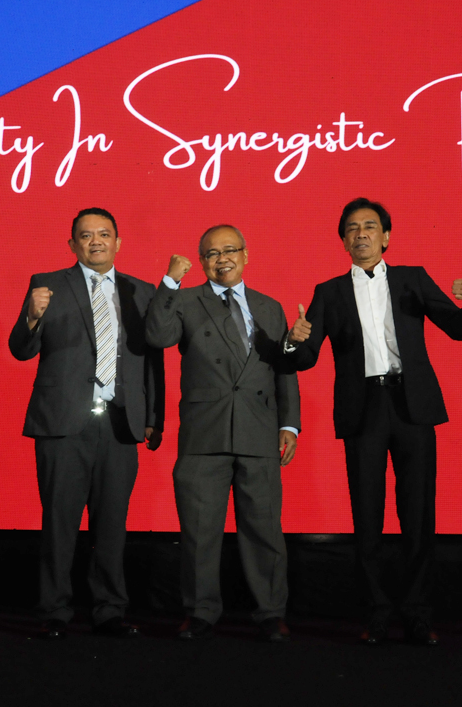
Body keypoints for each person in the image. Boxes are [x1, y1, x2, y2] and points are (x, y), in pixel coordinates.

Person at [284, 198, 462, 645]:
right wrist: (293, 340)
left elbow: (460, 328)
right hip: (363, 407)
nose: (361, 234)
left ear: (386, 236)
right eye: (352, 228)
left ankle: (417, 612)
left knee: (418, 513)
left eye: (370, 226)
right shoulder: (328, 291)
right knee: (367, 514)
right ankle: (376, 612)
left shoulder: (413, 279)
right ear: (343, 241)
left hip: (412, 405)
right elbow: (305, 356)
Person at [8, 208, 164, 640]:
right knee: (59, 523)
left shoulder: (141, 291)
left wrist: (153, 417)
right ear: (72, 244)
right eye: (86, 235)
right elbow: (21, 349)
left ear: (118, 242)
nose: (96, 241)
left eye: (104, 234)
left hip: (119, 423)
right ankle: (54, 610)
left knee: (112, 524)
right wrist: (32, 317)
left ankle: (109, 609)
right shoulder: (48, 284)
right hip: (62, 423)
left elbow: (152, 359)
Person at [145, 225, 300, 642]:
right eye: (212, 254)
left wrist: (289, 423)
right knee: (200, 531)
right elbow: (157, 336)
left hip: (259, 428)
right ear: (202, 262)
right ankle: (200, 612)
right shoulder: (186, 299)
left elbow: (284, 369)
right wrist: (170, 281)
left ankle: (270, 612)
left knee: (264, 530)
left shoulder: (270, 306)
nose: (222, 259)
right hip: (204, 432)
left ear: (246, 255)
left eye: (230, 250)